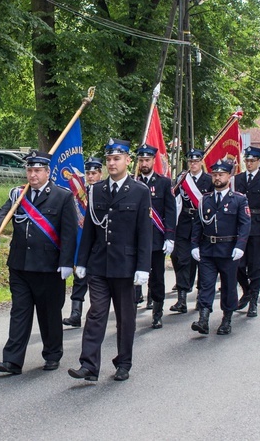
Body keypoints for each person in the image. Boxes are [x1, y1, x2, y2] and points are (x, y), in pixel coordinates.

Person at [0, 150, 78, 375]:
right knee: (20, 312)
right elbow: (4, 213)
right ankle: (12, 361)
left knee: (49, 314)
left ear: (47, 172)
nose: (32, 175)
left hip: (49, 266)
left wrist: (67, 262)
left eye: (37, 170)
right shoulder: (19, 194)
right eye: (29, 170)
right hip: (20, 265)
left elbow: (69, 232)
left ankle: (53, 354)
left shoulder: (62, 196)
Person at [68, 138, 152, 382]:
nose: (112, 163)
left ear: (128, 160)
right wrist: (81, 261)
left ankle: (123, 363)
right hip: (99, 264)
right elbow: (91, 230)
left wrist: (143, 268)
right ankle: (89, 365)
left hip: (126, 266)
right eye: (109, 159)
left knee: (126, 318)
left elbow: (144, 233)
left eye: (117, 158)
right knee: (96, 313)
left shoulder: (139, 191)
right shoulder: (96, 190)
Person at [190, 160, 250, 335]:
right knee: (206, 285)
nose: (217, 178)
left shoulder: (239, 199)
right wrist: (194, 245)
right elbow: (197, 224)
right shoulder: (205, 200)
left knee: (229, 286)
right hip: (208, 249)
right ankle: (203, 319)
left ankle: (227, 319)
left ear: (229, 176)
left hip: (229, 250)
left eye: (221, 174)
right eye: (214, 174)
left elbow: (245, 224)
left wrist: (240, 245)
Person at [135, 143, 176, 329]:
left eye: (147, 160)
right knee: (131, 277)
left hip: (156, 239)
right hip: (134, 240)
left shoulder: (164, 183)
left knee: (157, 277)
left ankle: (157, 313)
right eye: (141, 160)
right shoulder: (132, 182)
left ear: (153, 161)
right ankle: (130, 311)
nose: (144, 163)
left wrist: (170, 236)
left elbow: (170, 211)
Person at [233, 146, 260, 317]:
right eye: (247, 161)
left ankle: (254, 300)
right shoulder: (238, 179)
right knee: (238, 264)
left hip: (257, 227)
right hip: (240, 227)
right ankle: (247, 290)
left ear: (258, 161)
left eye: (252, 161)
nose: (249, 164)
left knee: (255, 266)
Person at [170, 149, 213, 314]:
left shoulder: (208, 180)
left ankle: (201, 297)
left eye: (196, 161)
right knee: (181, 259)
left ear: (201, 161)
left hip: (203, 223)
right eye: (190, 161)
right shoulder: (182, 179)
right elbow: (173, 196)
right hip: (184, 223)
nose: (193, 164)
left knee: (202, 261)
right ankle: (181, 298)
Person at [63, 156, 103, 328]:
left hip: (100, 242)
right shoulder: (81, 193)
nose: (91, 176)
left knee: (98, 282)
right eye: (88, 173)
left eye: (94, 173)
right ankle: (76, 313)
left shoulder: (105, 191)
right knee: (80, 276)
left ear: (101, 174)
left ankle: (98, 314)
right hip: (83, 241)